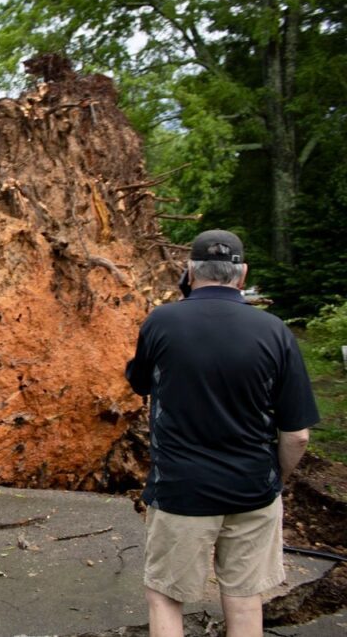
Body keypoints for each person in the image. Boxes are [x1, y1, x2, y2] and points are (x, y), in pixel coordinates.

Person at [125, 230, 319, 637]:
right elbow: (297, 434)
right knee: (246, 599)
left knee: (165, 596)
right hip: (252, 489)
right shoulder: (275, 331)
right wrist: (274, 481)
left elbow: (140, 383)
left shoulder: (162, 321)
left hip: (181, 490)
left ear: (189, 271)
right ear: (242, 274)